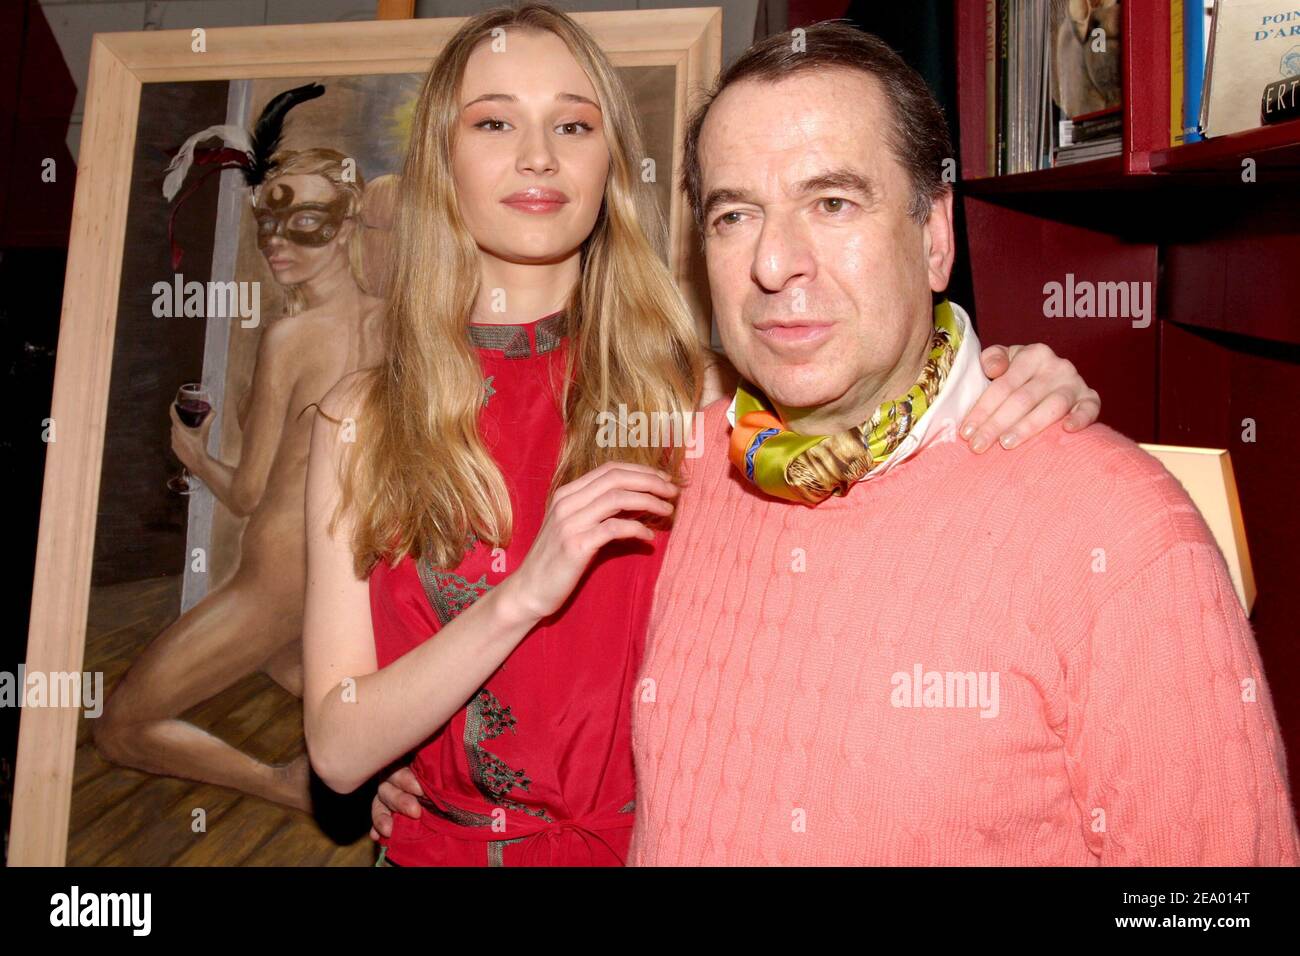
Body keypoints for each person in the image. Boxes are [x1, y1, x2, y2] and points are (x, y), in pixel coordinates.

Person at [319, 3, 1101, 867]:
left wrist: (1010, 374)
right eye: (496, 121)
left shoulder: (704, 393)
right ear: (442, 160)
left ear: (611, 161)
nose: (537, 155)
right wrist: (521, 595)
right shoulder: (360, 420)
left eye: (573, 124)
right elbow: (341, 748)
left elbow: (882, 419)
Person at [621, 23, 1298, 864]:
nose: (774, 262)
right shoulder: (677, 476)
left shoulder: (1119, 537)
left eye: (832, 203)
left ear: (936, 233)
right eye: (735, 214)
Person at [94, 146, 386, 812]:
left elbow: (250, 493)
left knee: (121, 728)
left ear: (346, 227)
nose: (278, 240)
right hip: (342, 565)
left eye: (306, 221)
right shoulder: (394, 321)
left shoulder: (292, 336)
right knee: (285, 665)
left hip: (279, 574)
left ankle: (284, 786)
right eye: (268, 221)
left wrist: (192, 454)